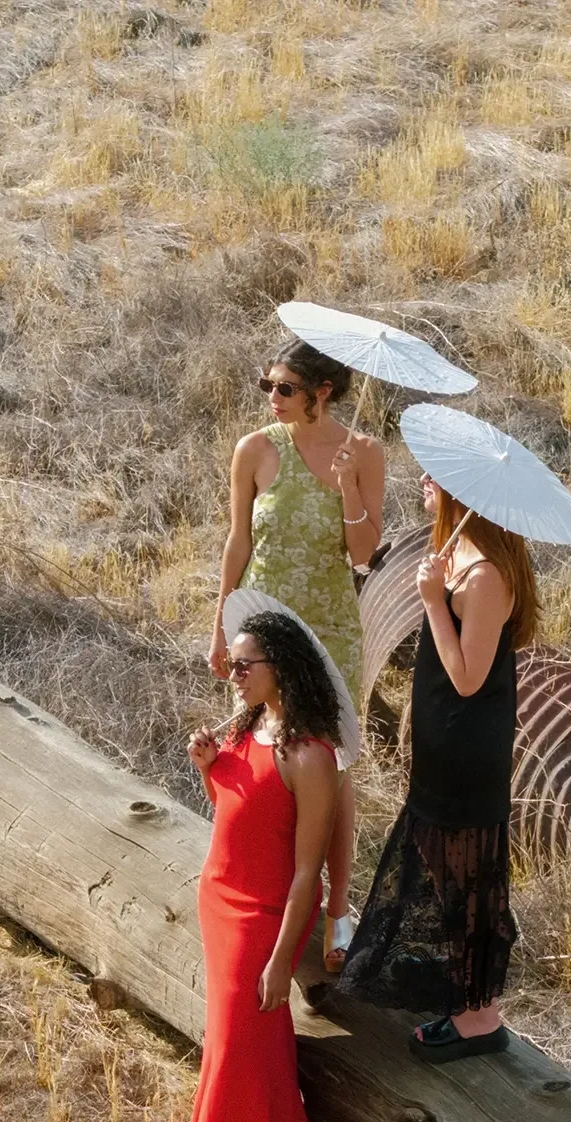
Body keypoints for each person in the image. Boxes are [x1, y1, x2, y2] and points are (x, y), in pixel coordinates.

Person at [337, 472, 535, 1060]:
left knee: (467, 868)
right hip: (445, 742)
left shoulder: (486, 575)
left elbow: (469, 678)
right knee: (445, 861)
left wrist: (431, 602)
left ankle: (480, 1018)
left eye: (436, 476)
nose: (424, 479)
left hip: (467, 746)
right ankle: (462, 985)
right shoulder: (460, 553)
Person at [210, 337, 384, 975]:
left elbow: (364, 555)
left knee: (331, 768)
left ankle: (338, 911)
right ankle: (257, 886)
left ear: (323, 393)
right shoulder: (254, 450)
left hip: (331, 632)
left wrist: (348, 493)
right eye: (268, 386)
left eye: (284, 388)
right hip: (263, 632)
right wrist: (219, 626)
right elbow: (238, 540)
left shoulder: (363, 453)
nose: (272, 399)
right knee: (258, 750)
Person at [180, 610, 345, 1122]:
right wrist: (208, 769)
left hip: (265, 914)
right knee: (250, 1039)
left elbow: (308, 872)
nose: (234, 674)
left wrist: (280, 960)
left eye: (245, 664)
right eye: (232, 663)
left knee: (235, 1037)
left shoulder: (311, 757)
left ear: (282, 669)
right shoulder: (242, 731)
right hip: (219, 898)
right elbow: (236, 812)